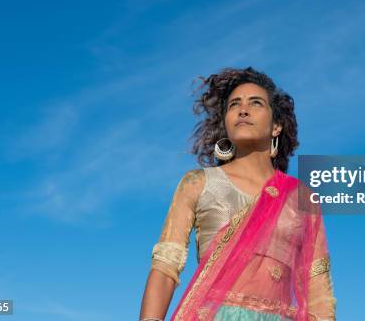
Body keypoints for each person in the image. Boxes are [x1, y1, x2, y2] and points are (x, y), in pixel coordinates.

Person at [139, 67, 336, 321]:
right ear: (227, 124)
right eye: (234, 105)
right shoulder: (198, 183)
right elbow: (166, 266)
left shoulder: (301, 198)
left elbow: (319, 291)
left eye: (256, 103)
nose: (243, 110)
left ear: (276, 126)